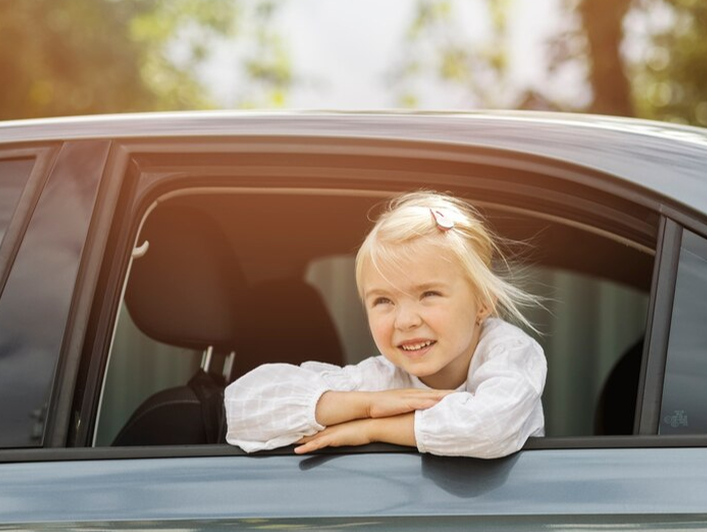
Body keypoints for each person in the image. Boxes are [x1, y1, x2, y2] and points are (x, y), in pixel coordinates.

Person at [224, 190, 546, 458]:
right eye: (384, 301)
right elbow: (244, 407)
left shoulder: (511, 353)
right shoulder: (382, 379)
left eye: (429, 294)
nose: (405, 321)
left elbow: (487, 427)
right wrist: (367, 405)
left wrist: (373, 428)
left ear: (483, 301)